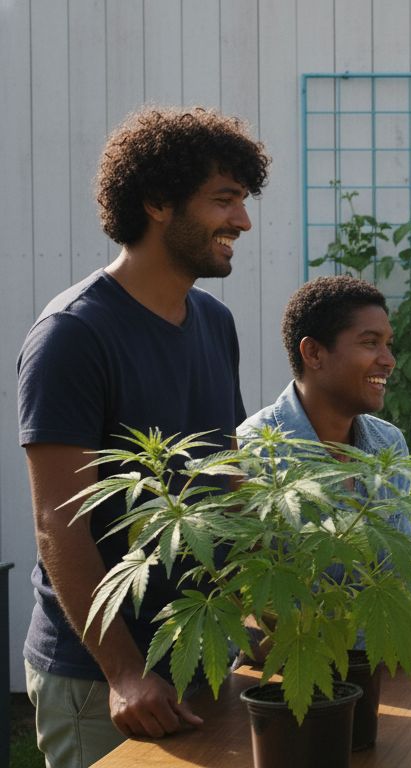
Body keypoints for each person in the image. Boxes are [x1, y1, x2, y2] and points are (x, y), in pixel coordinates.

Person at [17, 107, 269, 765]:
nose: (241, 222)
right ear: (157, 202)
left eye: (242, 201)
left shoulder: (214, 322)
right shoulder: (74, 335)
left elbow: (227, 480)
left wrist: (266, 607)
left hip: (203, 649)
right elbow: (57, 522)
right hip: (105, 679)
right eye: (223, 201)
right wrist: (125, 671)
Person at [237, 275, 411, 661]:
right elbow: (261, 615)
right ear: (314, 353)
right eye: (370, 343)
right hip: (290, 682)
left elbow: (400, 570)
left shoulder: (387, 442)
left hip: (380, 675)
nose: (388, 360)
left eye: (388, 345)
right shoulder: (256, 449)